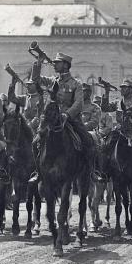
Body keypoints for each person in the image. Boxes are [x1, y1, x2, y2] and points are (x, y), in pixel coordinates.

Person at [29, 52, 95, 185]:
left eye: (57, 62)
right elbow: (35, 79)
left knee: (88, 140)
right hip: (51, 120)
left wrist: (67, 114)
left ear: (66, 65)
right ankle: (38, 172)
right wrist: (39, 62)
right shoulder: (52, 81)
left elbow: (79, 103)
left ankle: (92, 171)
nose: (54, 65)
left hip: (70, 120)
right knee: (35, 142)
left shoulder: (76, 84)